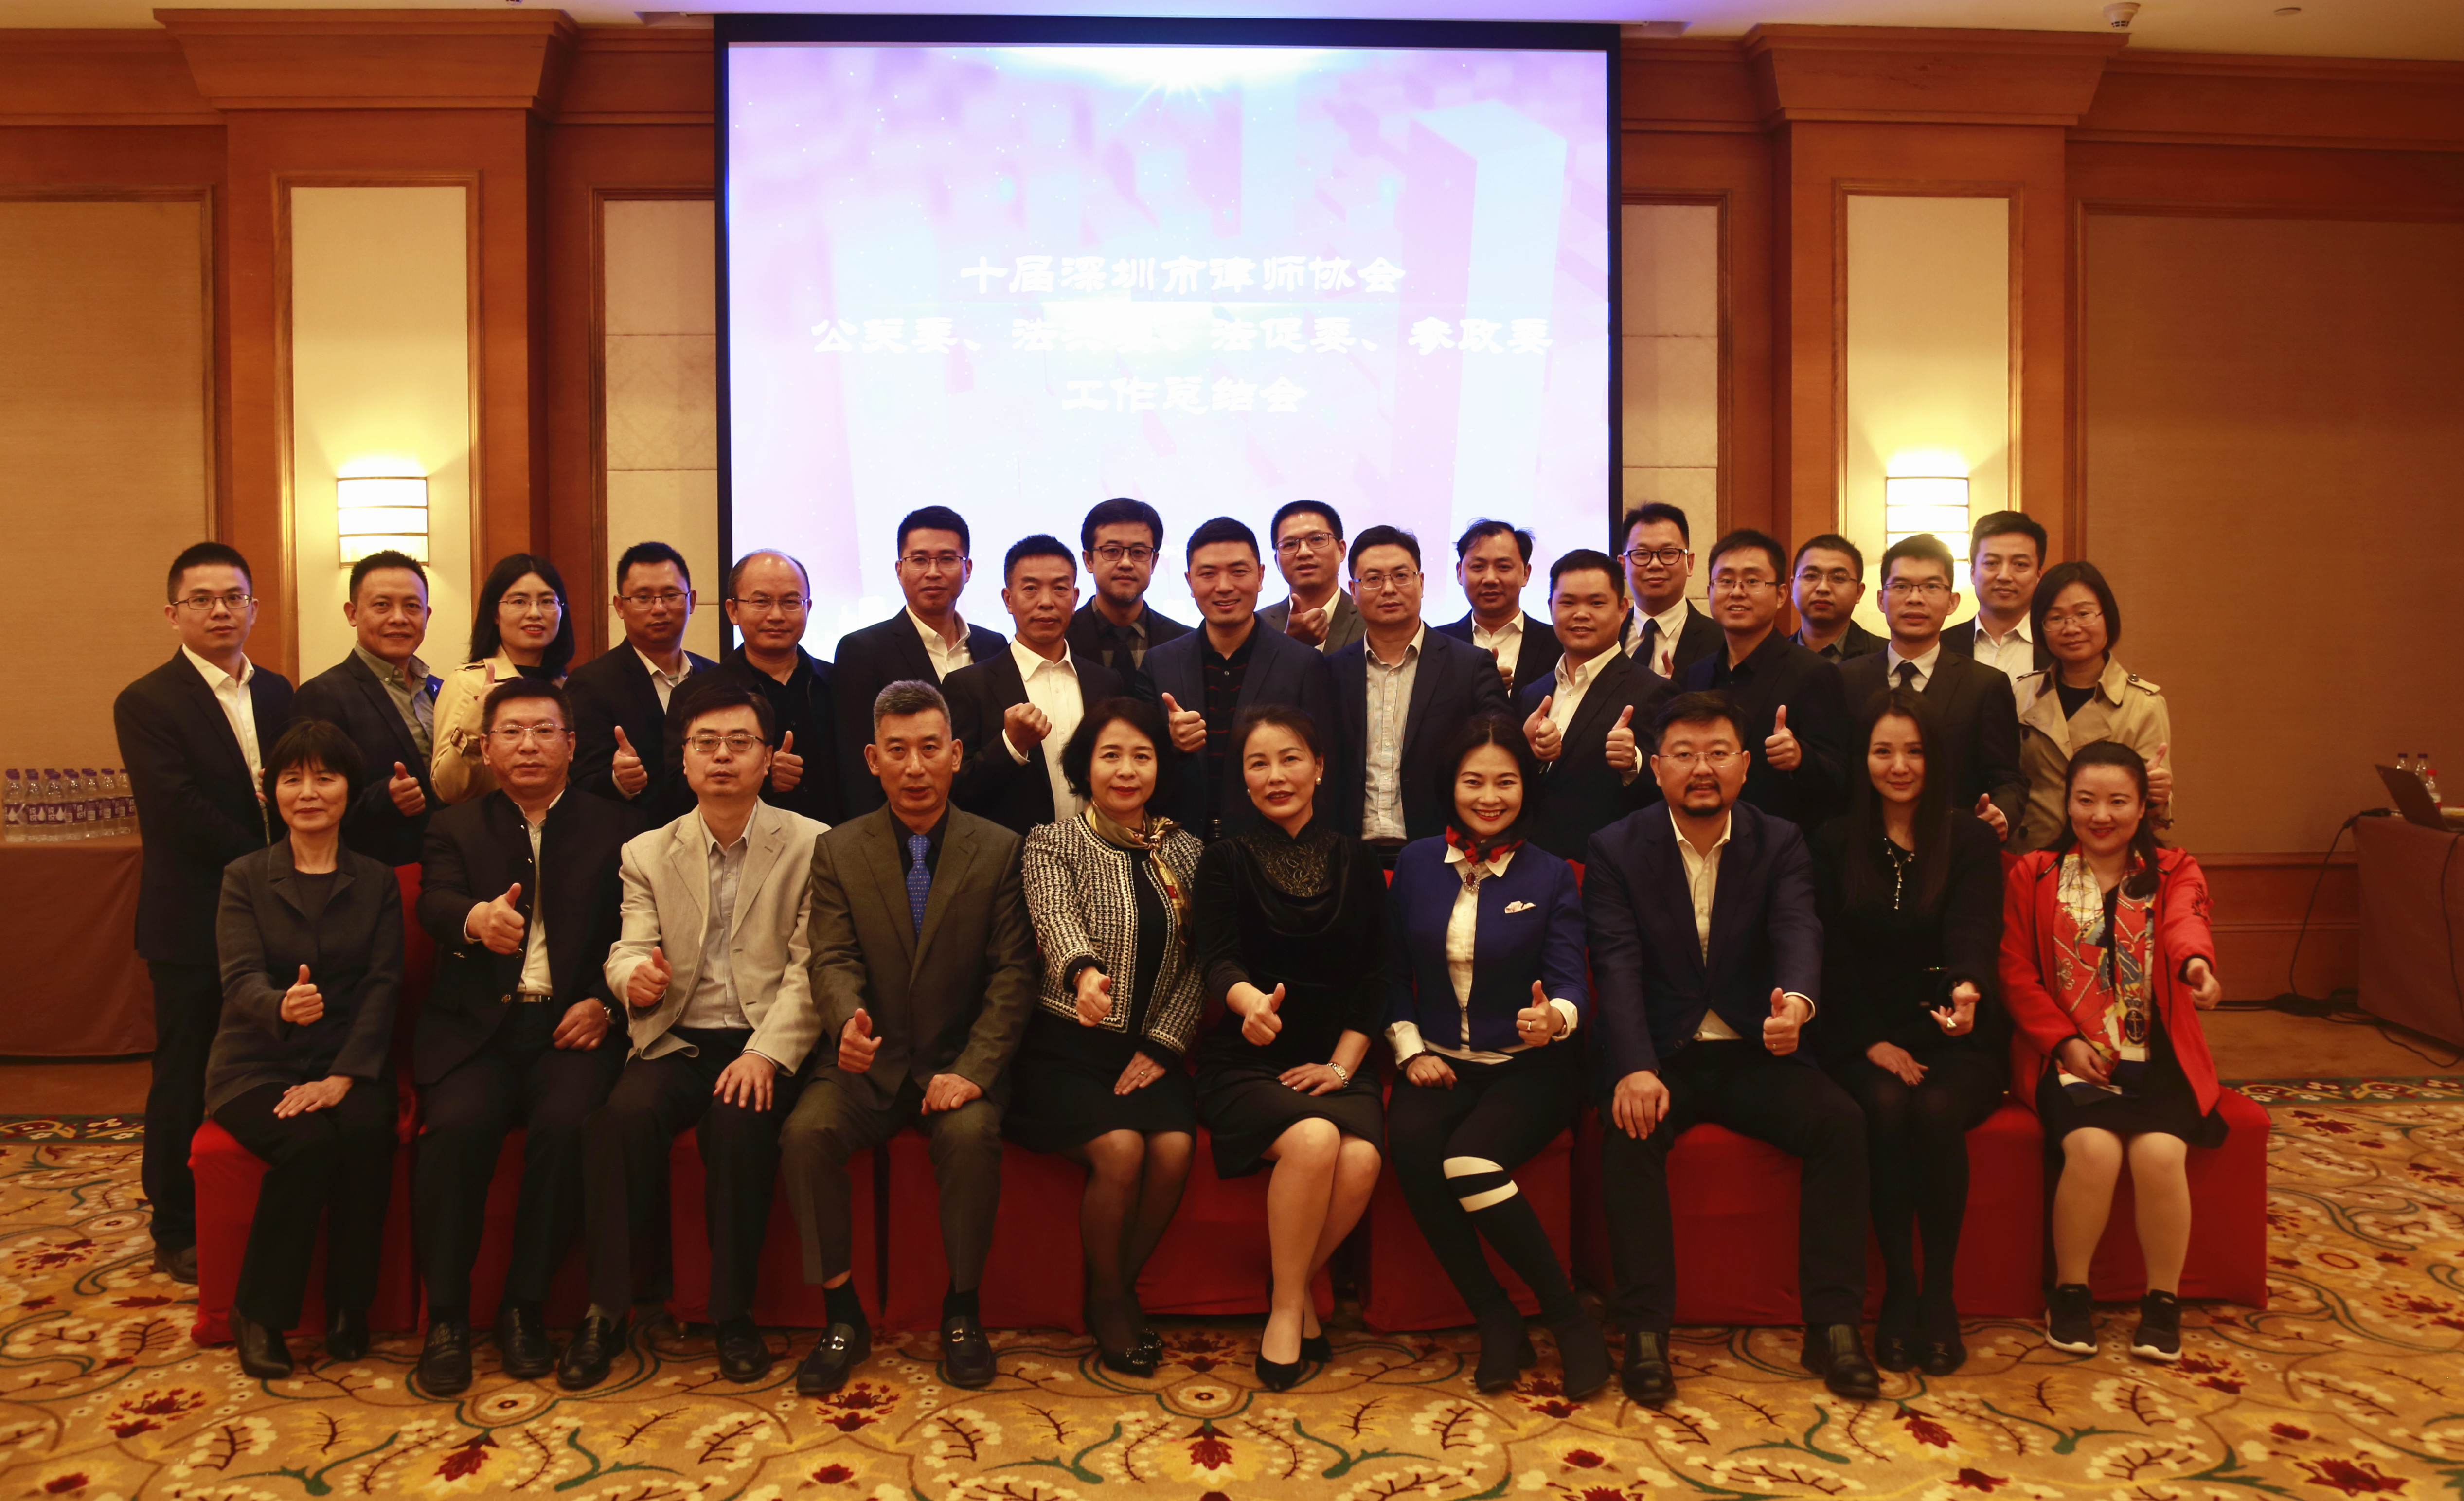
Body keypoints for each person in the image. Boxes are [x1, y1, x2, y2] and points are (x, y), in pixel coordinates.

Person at [1584, 691, 1877, 1406]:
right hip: (1663, 1053)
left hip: (1752, 1047)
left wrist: (1796, 1004)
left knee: (1841, 1122)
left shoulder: (1779, 841)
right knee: (1628, 1127)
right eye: (1683, 754)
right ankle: (1644, 1330)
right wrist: (1633, 1067)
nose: (1701, 769)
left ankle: (1833, 1326)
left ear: (1745, 765)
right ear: (1657, 766)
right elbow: (1616, 963)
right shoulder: (1615, 847)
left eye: (1717, 753)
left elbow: (1798, 928)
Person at [564, 683, 829, 1390]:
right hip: (675, 1038)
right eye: (705, 743)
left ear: (767, 757)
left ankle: (732, 1312)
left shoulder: (812, 843)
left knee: (739, 1127)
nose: (721, 756)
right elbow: (628, 947)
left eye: (739, 743)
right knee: (619, 1121)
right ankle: (606, 1309)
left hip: (761, 1037)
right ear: (682, 759)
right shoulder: (648, 851)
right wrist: (634, 980)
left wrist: (765, 1053)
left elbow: (812, 968)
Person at [785, 680, 1037, 1396]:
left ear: (956, 754)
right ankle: (842, 1313)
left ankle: (962, 1308)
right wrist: (846, 1021)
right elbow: (830, 957)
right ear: (873, 760)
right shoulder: (838, 849)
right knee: (804, 1134)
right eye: (897, 751)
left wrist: (976, 1069)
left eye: (930, 749)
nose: (915, 767)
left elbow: (1013, 973)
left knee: (970, 1136)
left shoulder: (999, 849)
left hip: (957, 1060)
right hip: (867, 1060)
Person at [410, 678, 641, 1395]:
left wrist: (605, 1003)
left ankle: (524, 1304)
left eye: (544, 731)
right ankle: (447, 1317)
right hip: (476, 1030)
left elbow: (642, 932)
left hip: (572, 1025)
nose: (528, 745)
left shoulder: (619, 827)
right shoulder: (454, 826)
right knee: (455, 1128)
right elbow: (434, 901)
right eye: (511, 732)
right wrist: (474, 920)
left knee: (569, 1126)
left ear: (571, 744)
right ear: (486, 748)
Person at [1384, 714, 1608, 1398]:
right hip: (1437, 1062)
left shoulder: (1551, 873)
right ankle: (1495, 1316)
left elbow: (1569, 979)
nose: (1488, 796)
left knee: (1468, 1160)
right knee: (1411, 1144)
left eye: (1504, 781)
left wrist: (1555, 1018)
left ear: (1524, 787)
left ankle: (1566, 1319)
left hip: (1529, 1065)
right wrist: (1409, 1051)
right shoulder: (1415, 864)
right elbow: (1389, 973)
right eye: (1473, 781)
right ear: (1450, 787)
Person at [2000, 740, 2225, 1363]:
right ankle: (2070, 1292)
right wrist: (2062, 1042)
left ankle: (2162, 1299)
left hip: (2154, 1052)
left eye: (2117, 801)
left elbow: (2184, 925)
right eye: (2086, 800)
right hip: (2067, 1053)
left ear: (2142, 805)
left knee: (2160, 1154)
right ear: (2067, 803)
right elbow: (2014, 969)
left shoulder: (2174, 867)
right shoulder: (2034, 872)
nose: (2100, 815)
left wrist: (2196, 966)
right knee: (2093, 1150)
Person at [1813, 688, 2008, 1377]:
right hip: (1862, 1031)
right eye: (1883, 751)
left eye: (1915, 751)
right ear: (1862, 758)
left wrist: (1966, 988)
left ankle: (1939, 1293)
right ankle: (1899, 1289)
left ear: (1936, 757)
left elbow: (1972, 928)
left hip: (1954, 1031)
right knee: (1886, 1103)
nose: (1899, 765)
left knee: (1935, 1106)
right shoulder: (1835, 840)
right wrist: (1868, 1038)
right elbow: (1829, 953)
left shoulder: (1969, 837)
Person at [1191, 706, 1386, 1392]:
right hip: (1247, 1057)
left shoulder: (1358, 858)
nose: (1275, 775)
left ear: (1319, 767)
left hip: (1336, 1057)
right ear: (1243, 780)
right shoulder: (1223, 859)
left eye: (1290, 758)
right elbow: (1216, 959)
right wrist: (1250, 1005)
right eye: (1258, 763)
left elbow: (1376, 975)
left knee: (1360, 1158)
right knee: (1314, 1140)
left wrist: (1341, 1064)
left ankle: (1291, 1282)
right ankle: (1285, 1310)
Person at [116, 541, 295, 1283]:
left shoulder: (280, 692)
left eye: (233, 597)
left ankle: (254, 1205)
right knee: (185, 1071)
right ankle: (174, 1224)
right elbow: (178, 810)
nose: (220, 611)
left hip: (276, 917)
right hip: (192, 919)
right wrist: (273, 867)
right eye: (202, 599)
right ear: (173, 613)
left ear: (253, 606)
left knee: (272, 1063)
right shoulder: (147, 701)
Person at [1011, 698, 1205, 1374]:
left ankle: (1118, 1282)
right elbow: (1054, 917)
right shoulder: (1051, 841)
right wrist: (1084, 974)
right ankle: (1108, 1300)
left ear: (1159, 767)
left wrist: (1164, 1043)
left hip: (1149, 1047)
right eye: (1110, 755)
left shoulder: (1187, 850)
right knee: (1121, 1149)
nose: (1126, 770)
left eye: (1141, 756)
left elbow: (1201, 961)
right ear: (1083, 766)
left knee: (1174, 1147)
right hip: (1064, 1046)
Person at [203, 719, 401, 1377]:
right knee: (309, 1143)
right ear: (272, 792)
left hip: (348, 1056)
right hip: (257, 1062)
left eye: (325, 777)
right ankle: (258, 1313)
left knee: (367, 1128)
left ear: (350, 789)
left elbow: (383, 983)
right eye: (293, 779)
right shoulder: (244, 876)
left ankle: (350, 1304)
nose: (309, 792)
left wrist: (345, 1074)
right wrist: (282, 1006)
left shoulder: (376, 880)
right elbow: (239, 979)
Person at [1144, 517, 1341, 840]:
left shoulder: (1303, 663)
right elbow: (1140, 765)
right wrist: (1172, 743)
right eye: (1208, 574)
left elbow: (1325, 767)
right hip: (1179, 844)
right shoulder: (1159, 663)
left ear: (1261, 576)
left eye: (1238, 571)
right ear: (1190, 582)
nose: (1224, 586)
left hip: (1273, 845)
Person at [1330, 526, 1512, 859]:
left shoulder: (1470, 665)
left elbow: (1502, 748)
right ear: (1353, 591)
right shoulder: (1331, 671)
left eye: (1401, 576)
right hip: (1350, 856)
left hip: (1443, 852)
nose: (1389, 589)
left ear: (1422, 583)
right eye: (1373, 579)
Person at [1839, 534, 2027, 841]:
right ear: (1881, 599)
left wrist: (2002, 811)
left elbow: (2008, 778)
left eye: (1931, 587)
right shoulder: (1846, 679)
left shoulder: (1985, 685)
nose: (1915, 598)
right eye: (1901, 586)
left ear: (1953, 602)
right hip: (1862, 845)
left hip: (1953, 845)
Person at [832, 506, 1009, 817]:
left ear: (967, 568)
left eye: (947, 559)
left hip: (988, 823)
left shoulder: (993, 645)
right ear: (899, 569)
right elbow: (857, 766)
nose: (933, 572)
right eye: (920, 560)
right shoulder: (862, 650)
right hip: (902, 823)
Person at [946, 535, 1127, 836]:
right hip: (1010, 856)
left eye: (1060, 588)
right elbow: (955, 791)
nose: (1046, 602)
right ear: (1008, 599)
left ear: (1075, 598)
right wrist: (1012, 745)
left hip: (1100, 852)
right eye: (1030, 588)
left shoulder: (1106, 681)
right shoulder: (968, 686)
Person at [1678, 529, 1852, 829]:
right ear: (1709, 591)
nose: (1737, 592)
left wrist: (1800, 758)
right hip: (1704, 836)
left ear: (1781, 595)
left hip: (1780, 844)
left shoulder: (1813, 672)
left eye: (1752, 581)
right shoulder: (1697, 674)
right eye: (1726, 581)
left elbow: (1841, 779)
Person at [1514, 550, 1673, 861]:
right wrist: (1529, 755)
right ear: (1550, 607)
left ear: (1622, 609)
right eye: (1568, 603)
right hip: (1532, 865)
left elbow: (1674, 787)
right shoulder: (1532, 694)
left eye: (1596, 603)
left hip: (1609, 866)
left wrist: (1634, 763)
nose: (1581, 614)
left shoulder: (1654, 691)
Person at [291, 549, 439, 867]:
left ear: (426, 615)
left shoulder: (442, 690)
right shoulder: (322, 695)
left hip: (444, 867)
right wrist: (384, 797)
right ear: (353, 613)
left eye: (412, 606)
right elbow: (306, 800)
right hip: (370, 873)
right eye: (382, 605)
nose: (399, 618)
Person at [2012, 561, 2174, 851]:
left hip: (2107, 858)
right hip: (2030, 858)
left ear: (2107, 617)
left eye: (2083, 614)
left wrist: (2158, 795)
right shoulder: (2021, 693)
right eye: (2055, 618)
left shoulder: (2144, 704)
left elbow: (2153, 810)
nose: (2071, 628)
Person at [568, 541, 716, 825]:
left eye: (671, 595)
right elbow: (580, 784)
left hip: (714, 835)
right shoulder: (590, 684)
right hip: (633, 840)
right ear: (620, 606)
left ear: (692, 601)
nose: (659, 608)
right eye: (643, 598)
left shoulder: (716, 678)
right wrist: (618, 781)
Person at [432, 554, 576, 805]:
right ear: (495, 613)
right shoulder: (467, 683)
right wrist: (476, 716)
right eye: (519, 601)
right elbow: (447, 789)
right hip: (489, 823)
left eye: (547, 601)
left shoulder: (569, 686)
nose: (535, 613)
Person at [717, 548, 842, 826]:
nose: (776, 615)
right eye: (761, 601)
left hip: (838, 841)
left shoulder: (839, 683)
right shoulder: (703, 695)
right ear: (733, 611)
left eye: (791, 602)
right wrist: (760, 777)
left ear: (807, 608)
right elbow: (679, 789)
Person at [1067, 497, 1191, 698]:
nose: (1126, 563)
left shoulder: (1185, 643)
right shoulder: (1060, 640)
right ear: (1089, 560)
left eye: (1139, 552)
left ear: (1154, 562)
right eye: (1112, 551)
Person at [1438, 518, 1561, 695]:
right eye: (1478, 567)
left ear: (1525, 574)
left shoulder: (1559, 644)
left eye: (1503, 567)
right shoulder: (1435, 644)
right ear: (1459, 573)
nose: (1490, 579)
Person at [1941, 510, 2045, 690]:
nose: (2004, 576)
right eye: (1991, 563)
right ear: (1973, 572)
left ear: (2038, 575)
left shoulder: (2058, 645)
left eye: (2020, 564)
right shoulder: (1941, 647)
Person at [1618, 503, 1718, 679]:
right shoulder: (1605, 635)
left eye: (1668, 553)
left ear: (1690, 564)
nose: (1655, 564)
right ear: (1623, 566)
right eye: (1641, 554)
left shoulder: (1719, 641)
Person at [1258, 500, 1364, 653]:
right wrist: (1291, 643)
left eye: (1317, 539)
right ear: (1277, 561)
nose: (1304, 552)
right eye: (1290, 544)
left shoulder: (1370, 619)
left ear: (1341, 550)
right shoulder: (1257, 626)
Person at [1789, 533, 1886, 662]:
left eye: (1838, 578)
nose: (1823, 588)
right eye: (1811, 576)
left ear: (1859, 592)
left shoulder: (1886, 657)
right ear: (1792, 586)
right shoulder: (1771, 657)